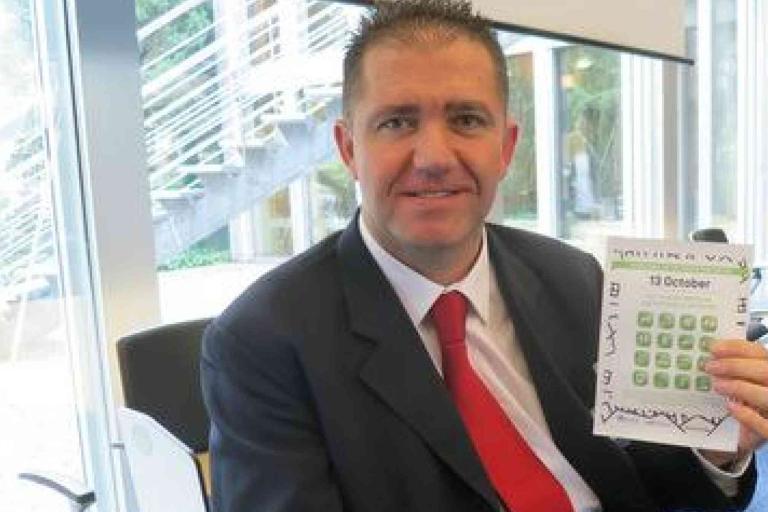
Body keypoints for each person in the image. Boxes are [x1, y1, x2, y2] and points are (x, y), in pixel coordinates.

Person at [201, 1, 768, 510]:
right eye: (397, 121)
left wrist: (712, 450)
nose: (433, 156)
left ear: (506, 146)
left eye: (466, 120)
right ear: (349, 148)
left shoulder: (573, 279)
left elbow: (644, 482)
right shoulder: (265, 341)